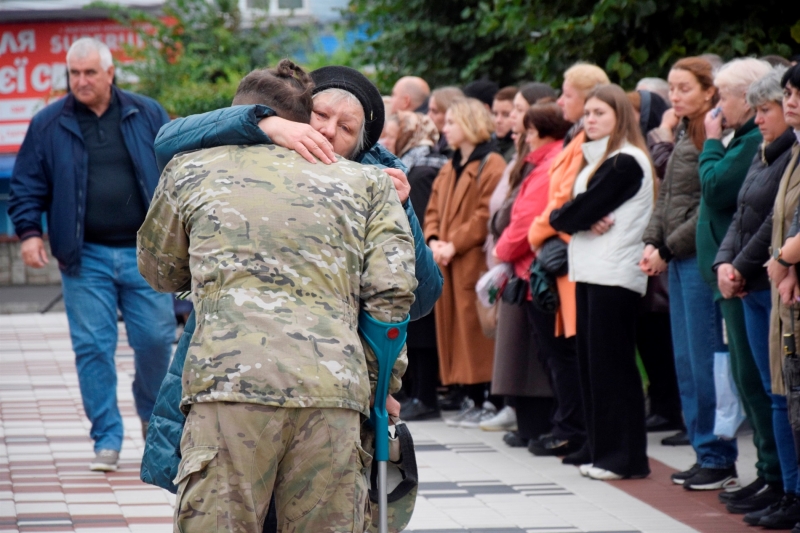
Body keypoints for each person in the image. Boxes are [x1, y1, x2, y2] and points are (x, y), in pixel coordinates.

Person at [140, 65, 444, 499]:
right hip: (234, 366)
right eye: (320, 115)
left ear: (361, 143)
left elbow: (421, 296)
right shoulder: (256, 138)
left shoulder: (372, 177)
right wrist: (262, 121)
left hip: (333, 377)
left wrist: (405, 212)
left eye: (346, 127)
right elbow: (168, 139)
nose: (328, 130)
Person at [7, 37, 174, 472]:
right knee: (93, 349)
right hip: (85, 259)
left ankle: (152, 423)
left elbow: (175, 172)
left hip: (146, 256)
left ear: (110, 72)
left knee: (156, 341)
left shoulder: (147, 112)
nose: (80, 81)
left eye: (89, 73)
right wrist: (29, 233)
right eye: (74, 74)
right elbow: (26, 183)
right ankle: (107, 438)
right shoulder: (48, 124)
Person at [549, 84, 654, 480]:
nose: (589, 120)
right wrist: (575, 216)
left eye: (600, 114)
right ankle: (600, 448)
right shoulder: (599, 160)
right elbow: (567, 213)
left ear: (620, 117)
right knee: (593, 368)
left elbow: (569, 215)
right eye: (587, 113)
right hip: (592, 270)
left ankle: (624, 458)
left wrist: (575, 217)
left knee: (613, 368)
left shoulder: (625, 162)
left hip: (614, 273)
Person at [712, 66, 797, 519]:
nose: (761, 116)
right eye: (762, 107)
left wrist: (741, 266)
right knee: (761, 385)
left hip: (771, 280)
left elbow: (775, 223)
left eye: (767, 108)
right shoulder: (765, 152)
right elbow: (741, 213)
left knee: (780, 389)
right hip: (754, 278)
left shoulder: (788, 155)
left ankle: (788, 485)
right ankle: (775, 478)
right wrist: (725, 263)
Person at [695, 57, 777, 493]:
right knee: (748, 378)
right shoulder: (744, 139)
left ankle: (774, 474)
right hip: (732, 274)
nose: (718, 103)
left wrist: (710, 141)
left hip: (749, 279)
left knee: (758, 379)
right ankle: (768, 473)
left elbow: (718, 188)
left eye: (723, 95)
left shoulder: (746, 142)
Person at [527, 63, 610, 463]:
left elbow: (563, 203)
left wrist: (537, 230)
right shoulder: (575, 139)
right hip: (563, 254)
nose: (561, 101)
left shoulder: (588, 142)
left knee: (581, 355)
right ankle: (580, 434)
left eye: (567, 94)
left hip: (573, 257)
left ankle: (584, 435)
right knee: (569, 353)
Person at [492, 103, 571, 450]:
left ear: (537, 133)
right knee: (546, 356)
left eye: (525, 131)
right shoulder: (543, 161)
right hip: (527, 270)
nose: (520, 138)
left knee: (556, 357)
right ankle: (556, 427)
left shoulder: (548, 163)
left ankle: (564, 429)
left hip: (535, 269)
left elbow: (527, 220)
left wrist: (502, 251)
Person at [424, 98, 506, 426]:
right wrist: (432, 241)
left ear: (470, 123)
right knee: (456, 332)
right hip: (447, 260)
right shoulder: (450, 164)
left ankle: (485, 399)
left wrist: (452, 244)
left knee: (476, 334)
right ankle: (468, 397)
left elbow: (486, 214)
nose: (445, 128)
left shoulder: (492, 163)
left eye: (452, 123)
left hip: (472, 261)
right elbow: (431, 209)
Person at [382, 111, 449, 421]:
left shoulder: (413, 172)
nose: (383, 142)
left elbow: (417, 218)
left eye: (390, 137)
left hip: (415, 265)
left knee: (421, 335)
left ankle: (424, 396)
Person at [626, 89, 684, 434]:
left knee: (663, 339)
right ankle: (662, 405)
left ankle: (670, 408)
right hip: (648, 256)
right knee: (650, 339)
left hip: (665, 256)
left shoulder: (660, 145)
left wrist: (661, 136)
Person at [427, 86, 466, 157]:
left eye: (435, 111)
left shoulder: (462, 149)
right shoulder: (434, 142)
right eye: (429, 110)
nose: (428, 116)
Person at [492, 86, 518, 162]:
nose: (498, 120)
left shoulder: (523, 149)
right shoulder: (487, 146)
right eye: (495, 114)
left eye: (506, 115)